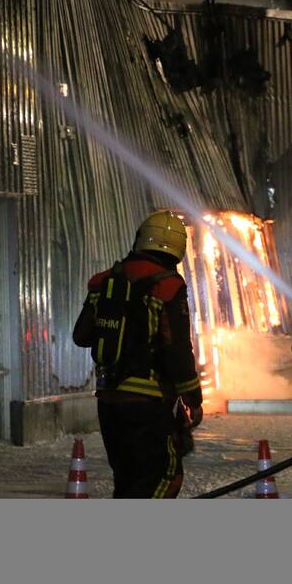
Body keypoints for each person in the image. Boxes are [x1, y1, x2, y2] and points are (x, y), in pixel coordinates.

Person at [73, 209, 203, 498]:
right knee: (164, 477)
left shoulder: (105, 281)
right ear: (178, 248)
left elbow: (81, 336)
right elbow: (177, 349)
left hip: (109, 402)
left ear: (141, 239)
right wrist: (193, 399)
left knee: (128, 480)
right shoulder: (168, 286)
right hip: (149, 405)